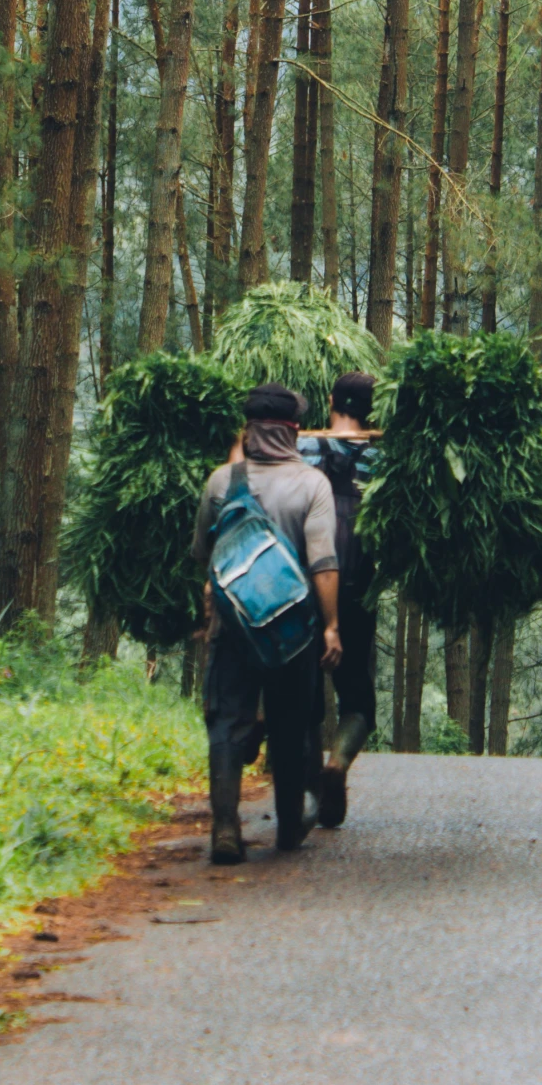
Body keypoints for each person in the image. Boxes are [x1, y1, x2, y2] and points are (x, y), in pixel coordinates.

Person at [193, 380, 341, 864]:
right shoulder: (312, 485)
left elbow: (202, 555)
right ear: (294, 432)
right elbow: (323, 563)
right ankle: (288, 827)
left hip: (232, 628)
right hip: (291, 634)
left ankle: (225, 827)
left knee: (227, 722)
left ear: (249, 430)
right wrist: (331, 626)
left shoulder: (221, 482)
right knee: (290, 721)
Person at [302, 368, 380, 828]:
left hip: (304, 586)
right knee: (357, 699)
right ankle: (338, 765)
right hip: (358, 589)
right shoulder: (383, 458)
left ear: (331, 400)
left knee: (306, 696)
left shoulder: (302, 449)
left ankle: (313, 790)